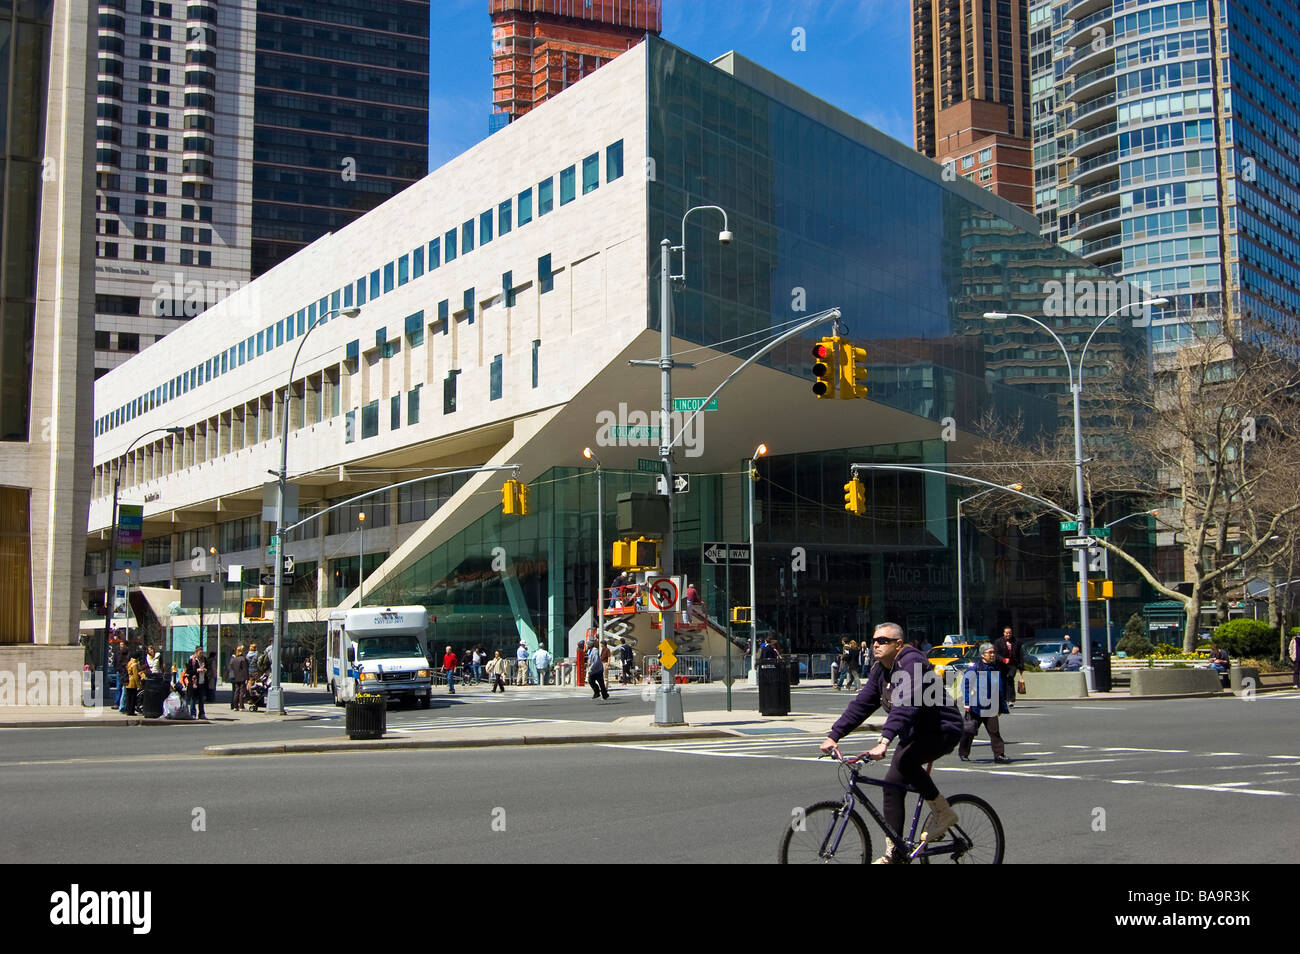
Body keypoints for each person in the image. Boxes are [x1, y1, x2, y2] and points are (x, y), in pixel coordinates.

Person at [820, 622, 963, 864]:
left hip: (942, 729)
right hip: (915, 733)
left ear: (898, 644)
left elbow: (904, 705)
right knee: (892, 785)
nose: (876, 644)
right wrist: (834, 735)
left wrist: (884, 741)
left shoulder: (912, 663)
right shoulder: (880, 670)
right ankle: (895, 852)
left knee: (906, 762)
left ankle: (943, 813)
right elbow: (861, 705)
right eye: (874, 640)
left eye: (883, 640)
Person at [958, 643, 1010, 763]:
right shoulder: (974, 669)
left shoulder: (995, 668)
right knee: (969, 731)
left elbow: (999, 689)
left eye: (993, 652)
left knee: (994, 731)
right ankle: (963, 752)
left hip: (990, 706)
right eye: (989, 652)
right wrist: (967, 702)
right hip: (976, 705)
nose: (992, 655)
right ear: (982, 655)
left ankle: (999, 755)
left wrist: (1001, 707)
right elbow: (965, 685)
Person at [993, 627, 1023, 708]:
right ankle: (1003, 699)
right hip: (1001, 665)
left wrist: (1021, 667)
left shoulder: (1017, 641)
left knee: (1010, 679)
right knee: (1002, 681)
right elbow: (996, 654)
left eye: (1009, 633)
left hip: (1013, 664)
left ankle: (1011, 700)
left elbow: (1020, 654)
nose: (1008, 634)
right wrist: (1003, 659)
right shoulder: (998, 642)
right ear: (1003, 633)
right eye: (1006, 633)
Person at [184, 647, 208, 719]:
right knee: (193, 699)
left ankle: (201, 714)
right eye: (200, 653)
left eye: (202, 653)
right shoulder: (192, 661)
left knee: (201, 699)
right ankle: (193, 713)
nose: (201, 654)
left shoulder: (204, 660)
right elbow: (188, 671)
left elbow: (208, 668)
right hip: (194, 683)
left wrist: (205, 670)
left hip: (202, 681)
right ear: (196, 653)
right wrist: (197, 670)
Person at [123, 650, 145, 716]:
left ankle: (128, 710)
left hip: (128, 682)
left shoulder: (130, 662)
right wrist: (139, 685)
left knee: (128, 697)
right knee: (133, 698)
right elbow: (135, 676)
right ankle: (131, 711)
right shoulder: (135, 664)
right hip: (132, 683)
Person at [228, 645, 248, 710]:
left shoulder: (235, 659)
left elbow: (232, 668)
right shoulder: (243, 659)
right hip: (242, 677)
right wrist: (246, 678)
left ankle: (235, 706)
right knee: (242, 691)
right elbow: (245, 669)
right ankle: (241, 706)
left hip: (236, 677)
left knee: (236, 691)